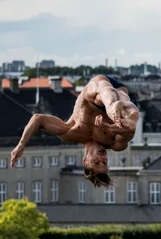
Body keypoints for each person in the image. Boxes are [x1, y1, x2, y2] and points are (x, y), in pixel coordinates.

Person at [10, 75, 139, 187]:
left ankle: (114, 107)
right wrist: (110, 127)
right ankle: (118, 107)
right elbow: (129, 133)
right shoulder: (113, 144)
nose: (101, 157)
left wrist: (21, 144)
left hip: (98, 91)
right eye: (104, 161)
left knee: (100, 97)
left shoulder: (70, 132)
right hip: (118, 95)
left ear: (85, 160)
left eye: (96, 161)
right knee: (126, 112)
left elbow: (38, 119)